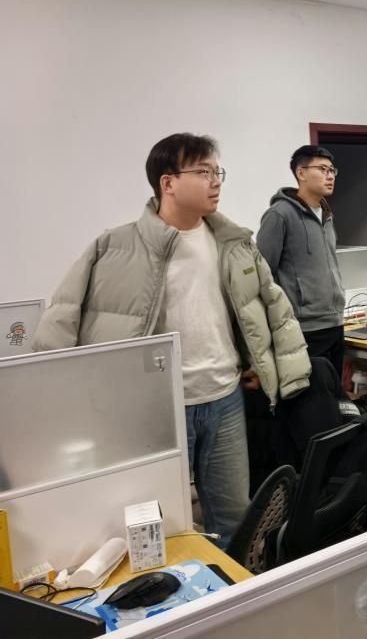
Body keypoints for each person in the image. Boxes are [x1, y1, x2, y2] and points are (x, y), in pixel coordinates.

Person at [32, 133, 311, 547]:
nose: (216, 181)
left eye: (218, 172)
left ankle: (231, 585)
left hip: (225, 398)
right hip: (158, 408)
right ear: (168, 183)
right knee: (159, 523)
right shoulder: (114, 247)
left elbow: (268, 305)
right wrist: (59, 404)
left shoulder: (233, 243)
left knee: (234, 517)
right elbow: (62, 317)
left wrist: (260, 363)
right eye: (204, 171)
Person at [257, 145, 346, 383]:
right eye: (322, 169)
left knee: (335, 395)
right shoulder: (279, 214)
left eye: (332, 170)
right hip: (303, 328)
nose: (330, 176)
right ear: (301, 173)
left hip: (335, 322)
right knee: (313, 397)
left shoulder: (327, 215)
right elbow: (263, 275)